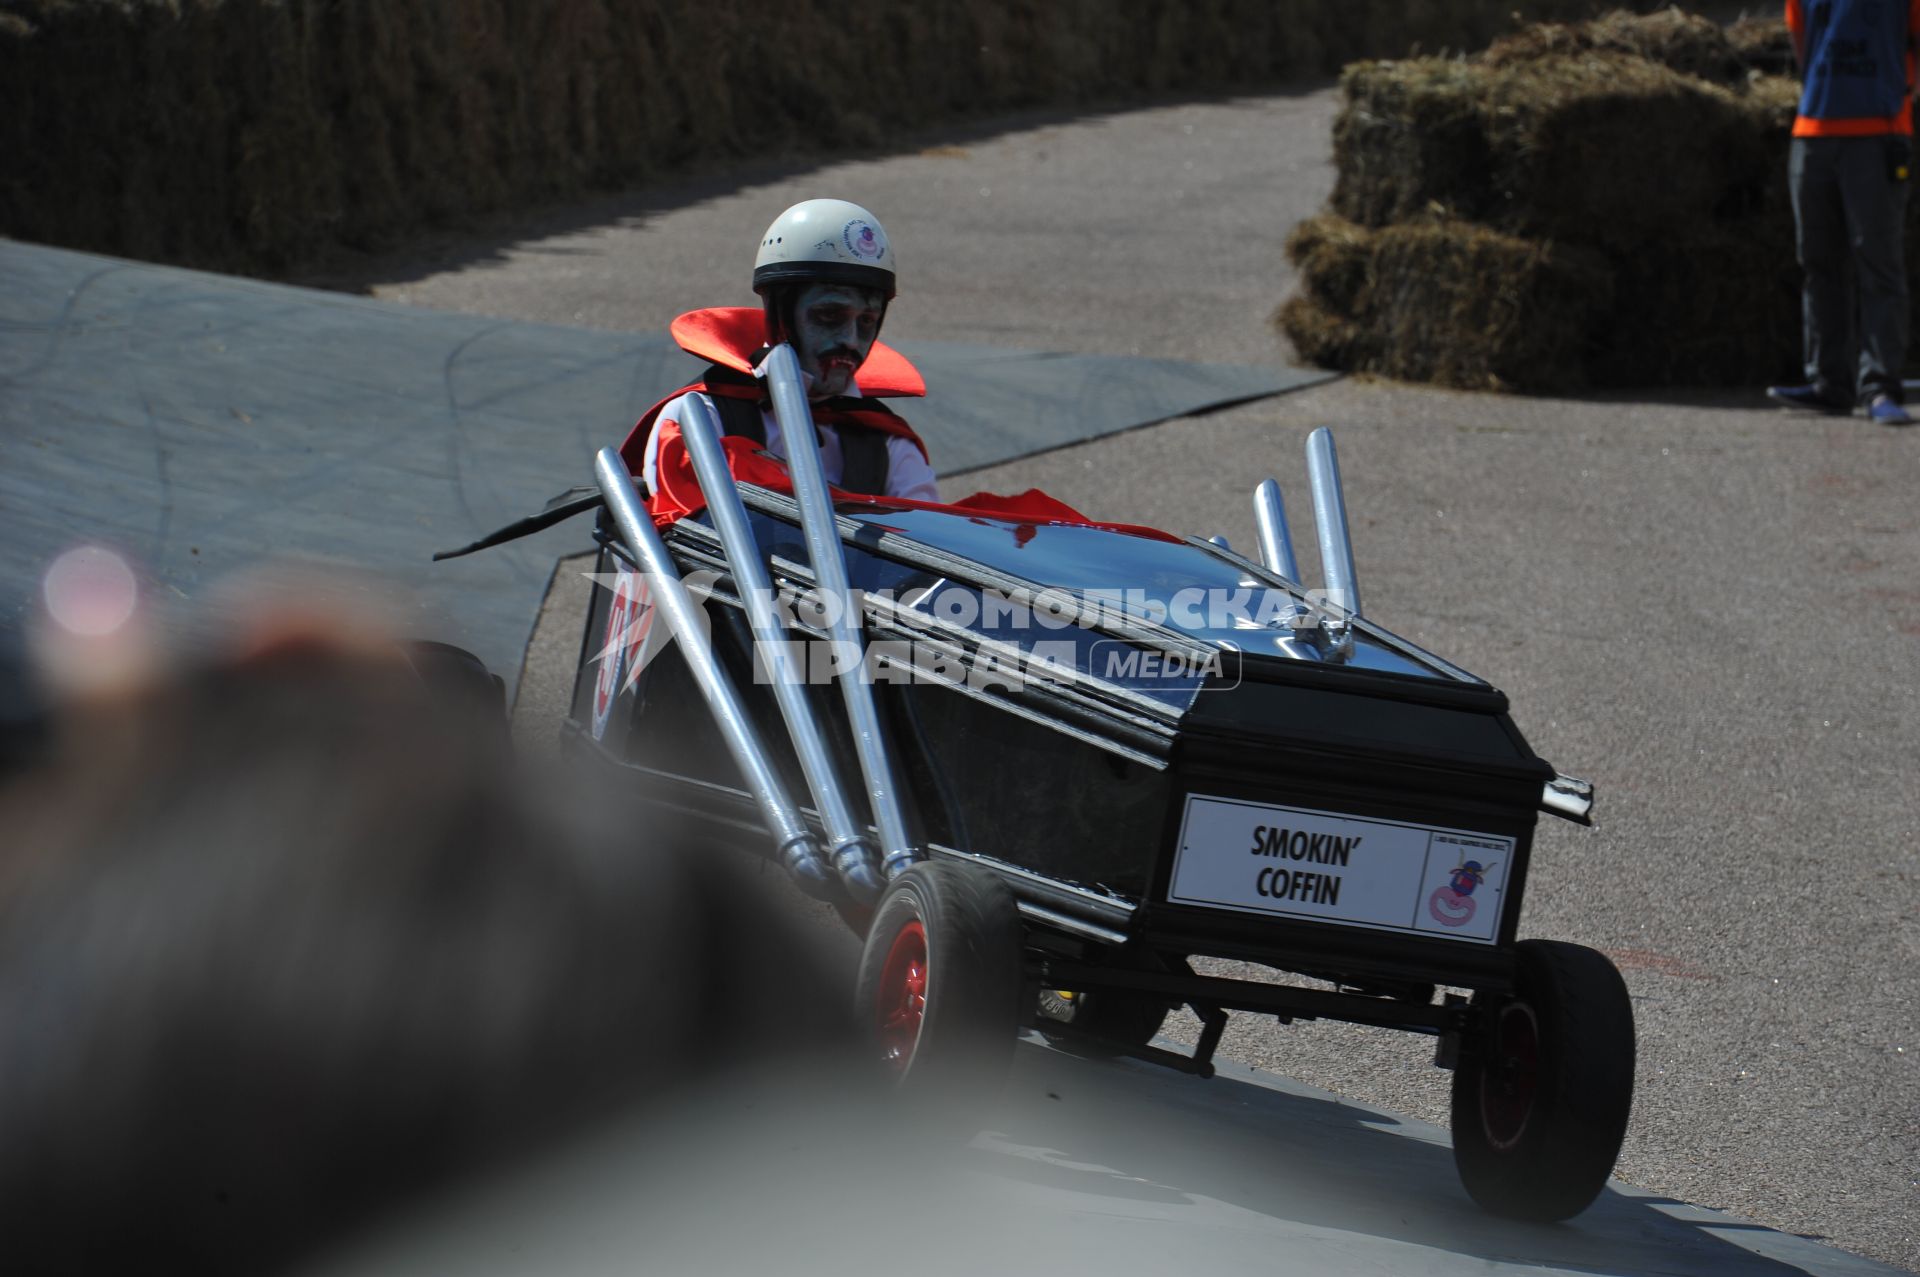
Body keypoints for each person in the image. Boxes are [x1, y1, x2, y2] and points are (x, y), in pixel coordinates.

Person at [621, 198, 941, 502]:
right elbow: (667, 536)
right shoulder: (700, 417)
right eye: (829, 316)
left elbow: (932, 545)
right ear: (779, 311)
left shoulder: (889, 443)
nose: (851, 340)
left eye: (867, 321)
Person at [1767, 0, 1920, 427]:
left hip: (1878, 131)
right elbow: (1802, 41)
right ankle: (1830, 384)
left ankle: (1881, 387)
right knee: (1818, 261)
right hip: (1813, 132)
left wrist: (1900, 92)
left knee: (1878, 263)